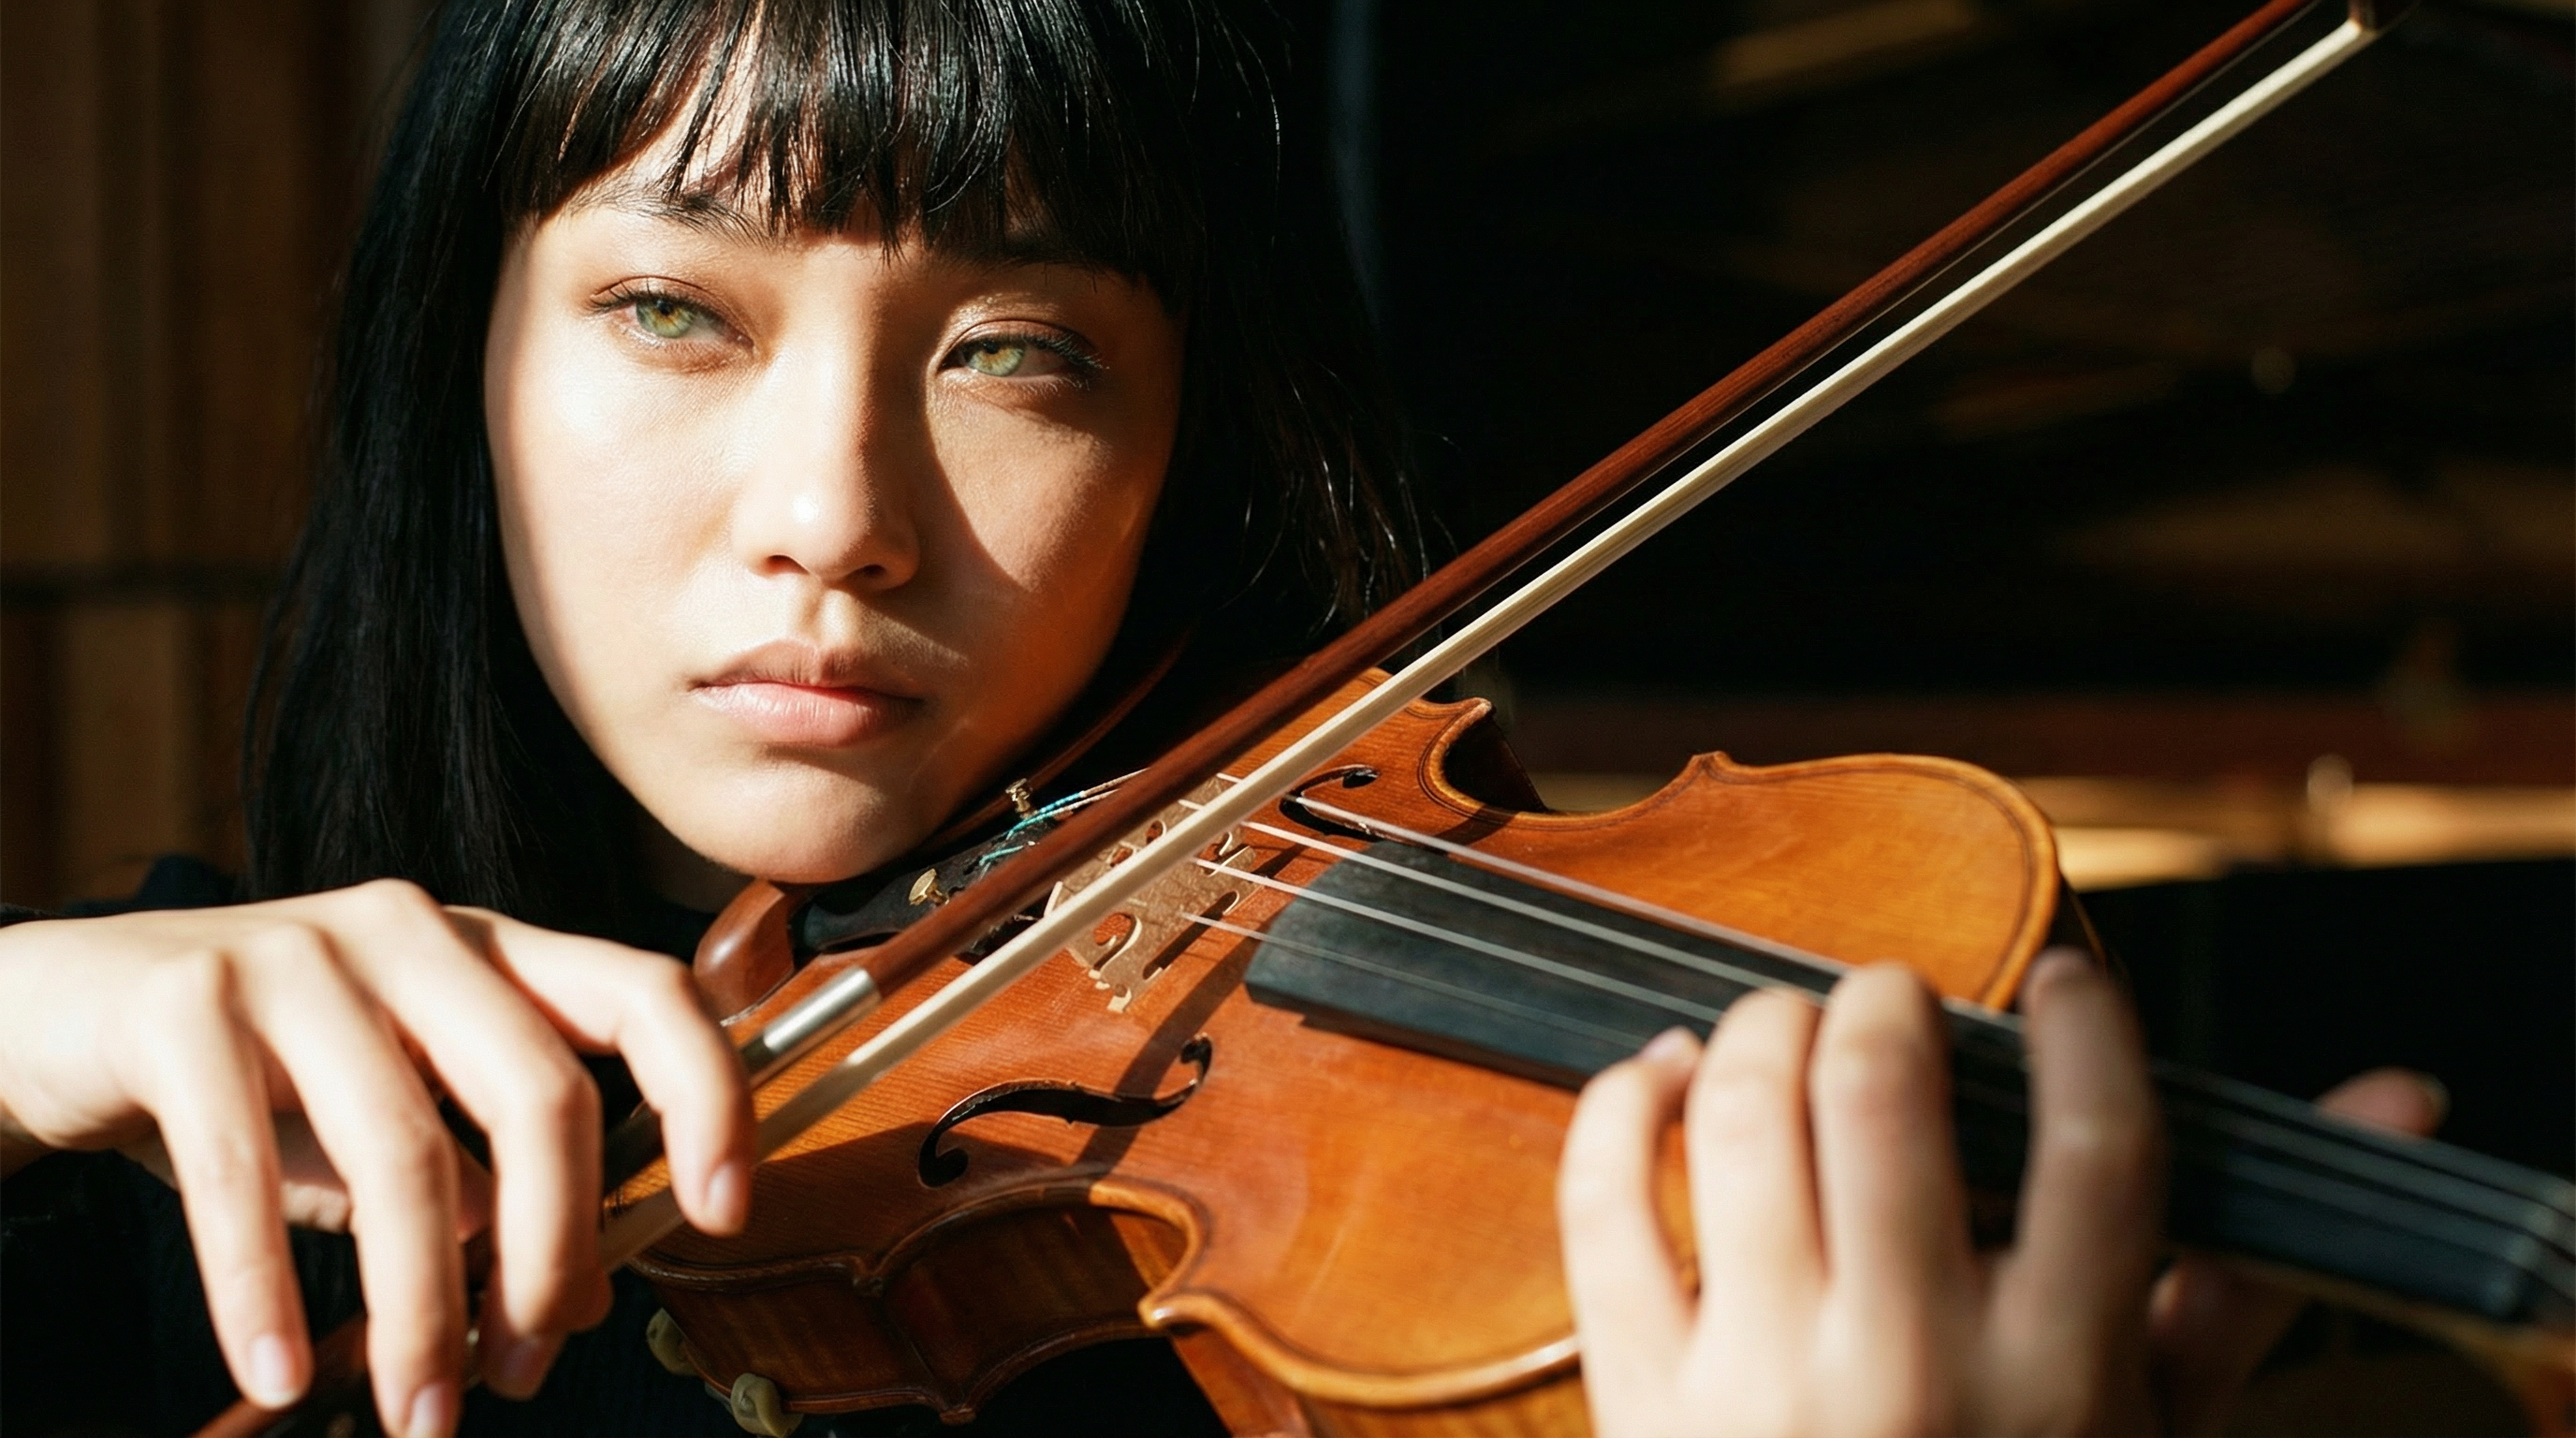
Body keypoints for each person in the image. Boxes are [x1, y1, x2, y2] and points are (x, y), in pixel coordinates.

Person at [0, 2, 2433, 1435]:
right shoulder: (161, 1142)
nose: (837, 515)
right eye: (675, 312)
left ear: (1190, 451)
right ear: (470, 380)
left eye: (1017, 351)